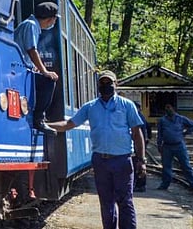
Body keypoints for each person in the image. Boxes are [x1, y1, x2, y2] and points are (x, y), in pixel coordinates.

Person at [47, 70, 146, 229]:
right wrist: (45, 125)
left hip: (122, 161)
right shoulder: (90, 107)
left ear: (116, 84)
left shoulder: (127, 105)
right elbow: (68, 125)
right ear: (98, 85)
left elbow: (136, 133)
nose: (106, 86)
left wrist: (141, 160)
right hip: (101, 161)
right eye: (103, 83)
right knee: (106, 203)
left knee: (125, 201)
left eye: (109, 83)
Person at [13, 1, 60, 135]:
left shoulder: (30, 25)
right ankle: (38, 118)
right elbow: (31, 49)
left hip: (22, 67)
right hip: (18, 70)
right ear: (51, 19)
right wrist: (45, 71)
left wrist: (35, 67)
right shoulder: (31, 25)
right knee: (48, 81)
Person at [155, 103, 193, 192]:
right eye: (166, 107)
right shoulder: (162, 120)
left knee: (186, 165)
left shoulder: (181, 119)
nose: (168, 109)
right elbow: (159, 134)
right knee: (166, 166)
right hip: (167, 146)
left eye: (169, 107)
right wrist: (159, 145)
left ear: (173, 108)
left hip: (179, 145)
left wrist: (186, 133)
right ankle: (165, 184)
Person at [133, 103, 150, 192]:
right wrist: (148, 138)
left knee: (138, 164)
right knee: (139, 163)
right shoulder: (142, 116)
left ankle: (140, 185)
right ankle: (140, 185)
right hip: (142, 142)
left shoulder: (138, 117)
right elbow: (149, 127)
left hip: (138, 143)